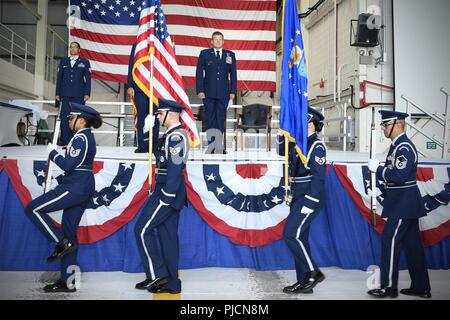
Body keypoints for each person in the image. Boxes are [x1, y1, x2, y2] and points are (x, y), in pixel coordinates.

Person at [24, 102, 102, 293]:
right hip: (80, 185)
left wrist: (53, 153)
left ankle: (61, 243)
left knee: (32, 209)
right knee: (70, 234)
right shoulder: (83, 137)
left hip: (75, 187)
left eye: (72, 118)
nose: (69, 120)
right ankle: (68, 281)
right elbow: (76, 164)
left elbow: (68, 165)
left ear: (81, 120)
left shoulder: (81, 139)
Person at [367, 110, 431, 299]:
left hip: (404, 204)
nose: (384, 129)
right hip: (402, 202)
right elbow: (394, 177)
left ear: (398, 125)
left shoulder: (404, 147)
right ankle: (421, 287)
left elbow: (400, 176)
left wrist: (378, 169)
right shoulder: (396, 147)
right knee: (412, 247)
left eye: (386, 125)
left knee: (390, 241)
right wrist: (380, 190)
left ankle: (389, 287)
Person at [134, 99, 188, 294]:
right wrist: (149, 129)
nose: (157, 116)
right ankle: (172, 283)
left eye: (159, 114)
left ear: (170, 115)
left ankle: (156, 275)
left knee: (141, 230)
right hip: (165, 188)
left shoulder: (177, 137)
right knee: (167, 238)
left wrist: (167, 195)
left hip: (168, 191)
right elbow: (153, 149)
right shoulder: (170, 135)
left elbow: (174, 168)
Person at [278, 107, 326, 294]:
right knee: (301, 239)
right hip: (298, 193)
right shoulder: (298, 143)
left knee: (291, 234)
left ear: (311, 124)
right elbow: (281, 151)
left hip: (309, 195)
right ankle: (304, 281)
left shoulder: (316, 146)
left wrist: (310, 201)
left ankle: (313, 272)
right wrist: (283, 130)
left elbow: (318, 177)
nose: (298, 125)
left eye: (301, 122)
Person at [195, 31, 237, 154]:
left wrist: (233, 91)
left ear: (223, 41)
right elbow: (199, 73)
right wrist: (200, 90)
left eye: (220, 39)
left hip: (224, 94)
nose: (218, 41)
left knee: (220, 120)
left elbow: (233, 75)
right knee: (210, 120)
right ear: (211, 41)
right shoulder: (204, 54)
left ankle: (219, 146)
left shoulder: (230, 55)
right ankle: (211, 146)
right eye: (215, 39)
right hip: (207, 93)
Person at [55, 41, 91, 146]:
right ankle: (66, 142)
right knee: (65, 118)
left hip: (79, 95)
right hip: (65, 95)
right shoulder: (63, 61)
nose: (72, 49)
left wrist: (87, 93)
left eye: (75, 47)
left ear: (79, 50)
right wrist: (57, 93)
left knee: (77, 119)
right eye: (71, 47)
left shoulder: (84, 62)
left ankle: (76, 142)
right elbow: (59, 79)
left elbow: (88, 79)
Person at [127, 42, 160, 153]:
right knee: (142, 117)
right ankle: (142, 145)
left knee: (155, 117)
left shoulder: (159, 42)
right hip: (139, 87)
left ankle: (154, 145)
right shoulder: (137, 44)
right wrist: (130, 85)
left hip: (156, 88)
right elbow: (132, 65)